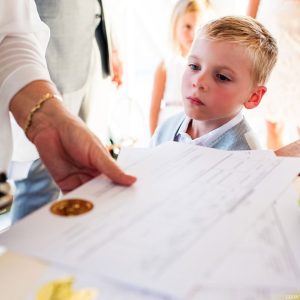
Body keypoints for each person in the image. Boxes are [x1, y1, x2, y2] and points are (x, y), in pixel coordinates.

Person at [0, 0, 136, 209]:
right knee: (39, 186)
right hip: (56, 51)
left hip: (86, 51)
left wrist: (48, 120)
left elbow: (11, 31)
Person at [151, 16, 278, 151]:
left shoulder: (248, 157)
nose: (198, 82)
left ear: (254, 96)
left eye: (222, 77)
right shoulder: (165, 129)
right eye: (194, 66)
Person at [149, 0, 212, 136]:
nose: (193, 33)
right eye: (187, 26)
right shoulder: (166, 65)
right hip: (169, 126)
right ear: (175, 26)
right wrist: (153, 139)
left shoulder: (207, 66)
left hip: (196, 127)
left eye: (198, 27)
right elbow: (154, 108)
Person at [247, 0, 300, 149]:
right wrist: (247, 36)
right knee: (273, 122)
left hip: (296, 33)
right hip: (273, 34)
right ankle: (279, 170)